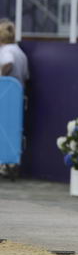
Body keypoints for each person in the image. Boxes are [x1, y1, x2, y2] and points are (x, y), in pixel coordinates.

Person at [0, 18, 29, 179]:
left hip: (5, 97)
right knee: (13, 131)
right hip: (17, 99)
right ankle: (11, 164)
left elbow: (8, 64)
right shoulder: (20, 52)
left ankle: (5, 164)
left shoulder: (6, 51)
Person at [0, 19, 29, 88]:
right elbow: (26, 77)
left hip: (6, 92)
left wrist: (1, 75)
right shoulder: (19, 51)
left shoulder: (6, 50)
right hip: (17, 93)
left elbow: (8, 62)